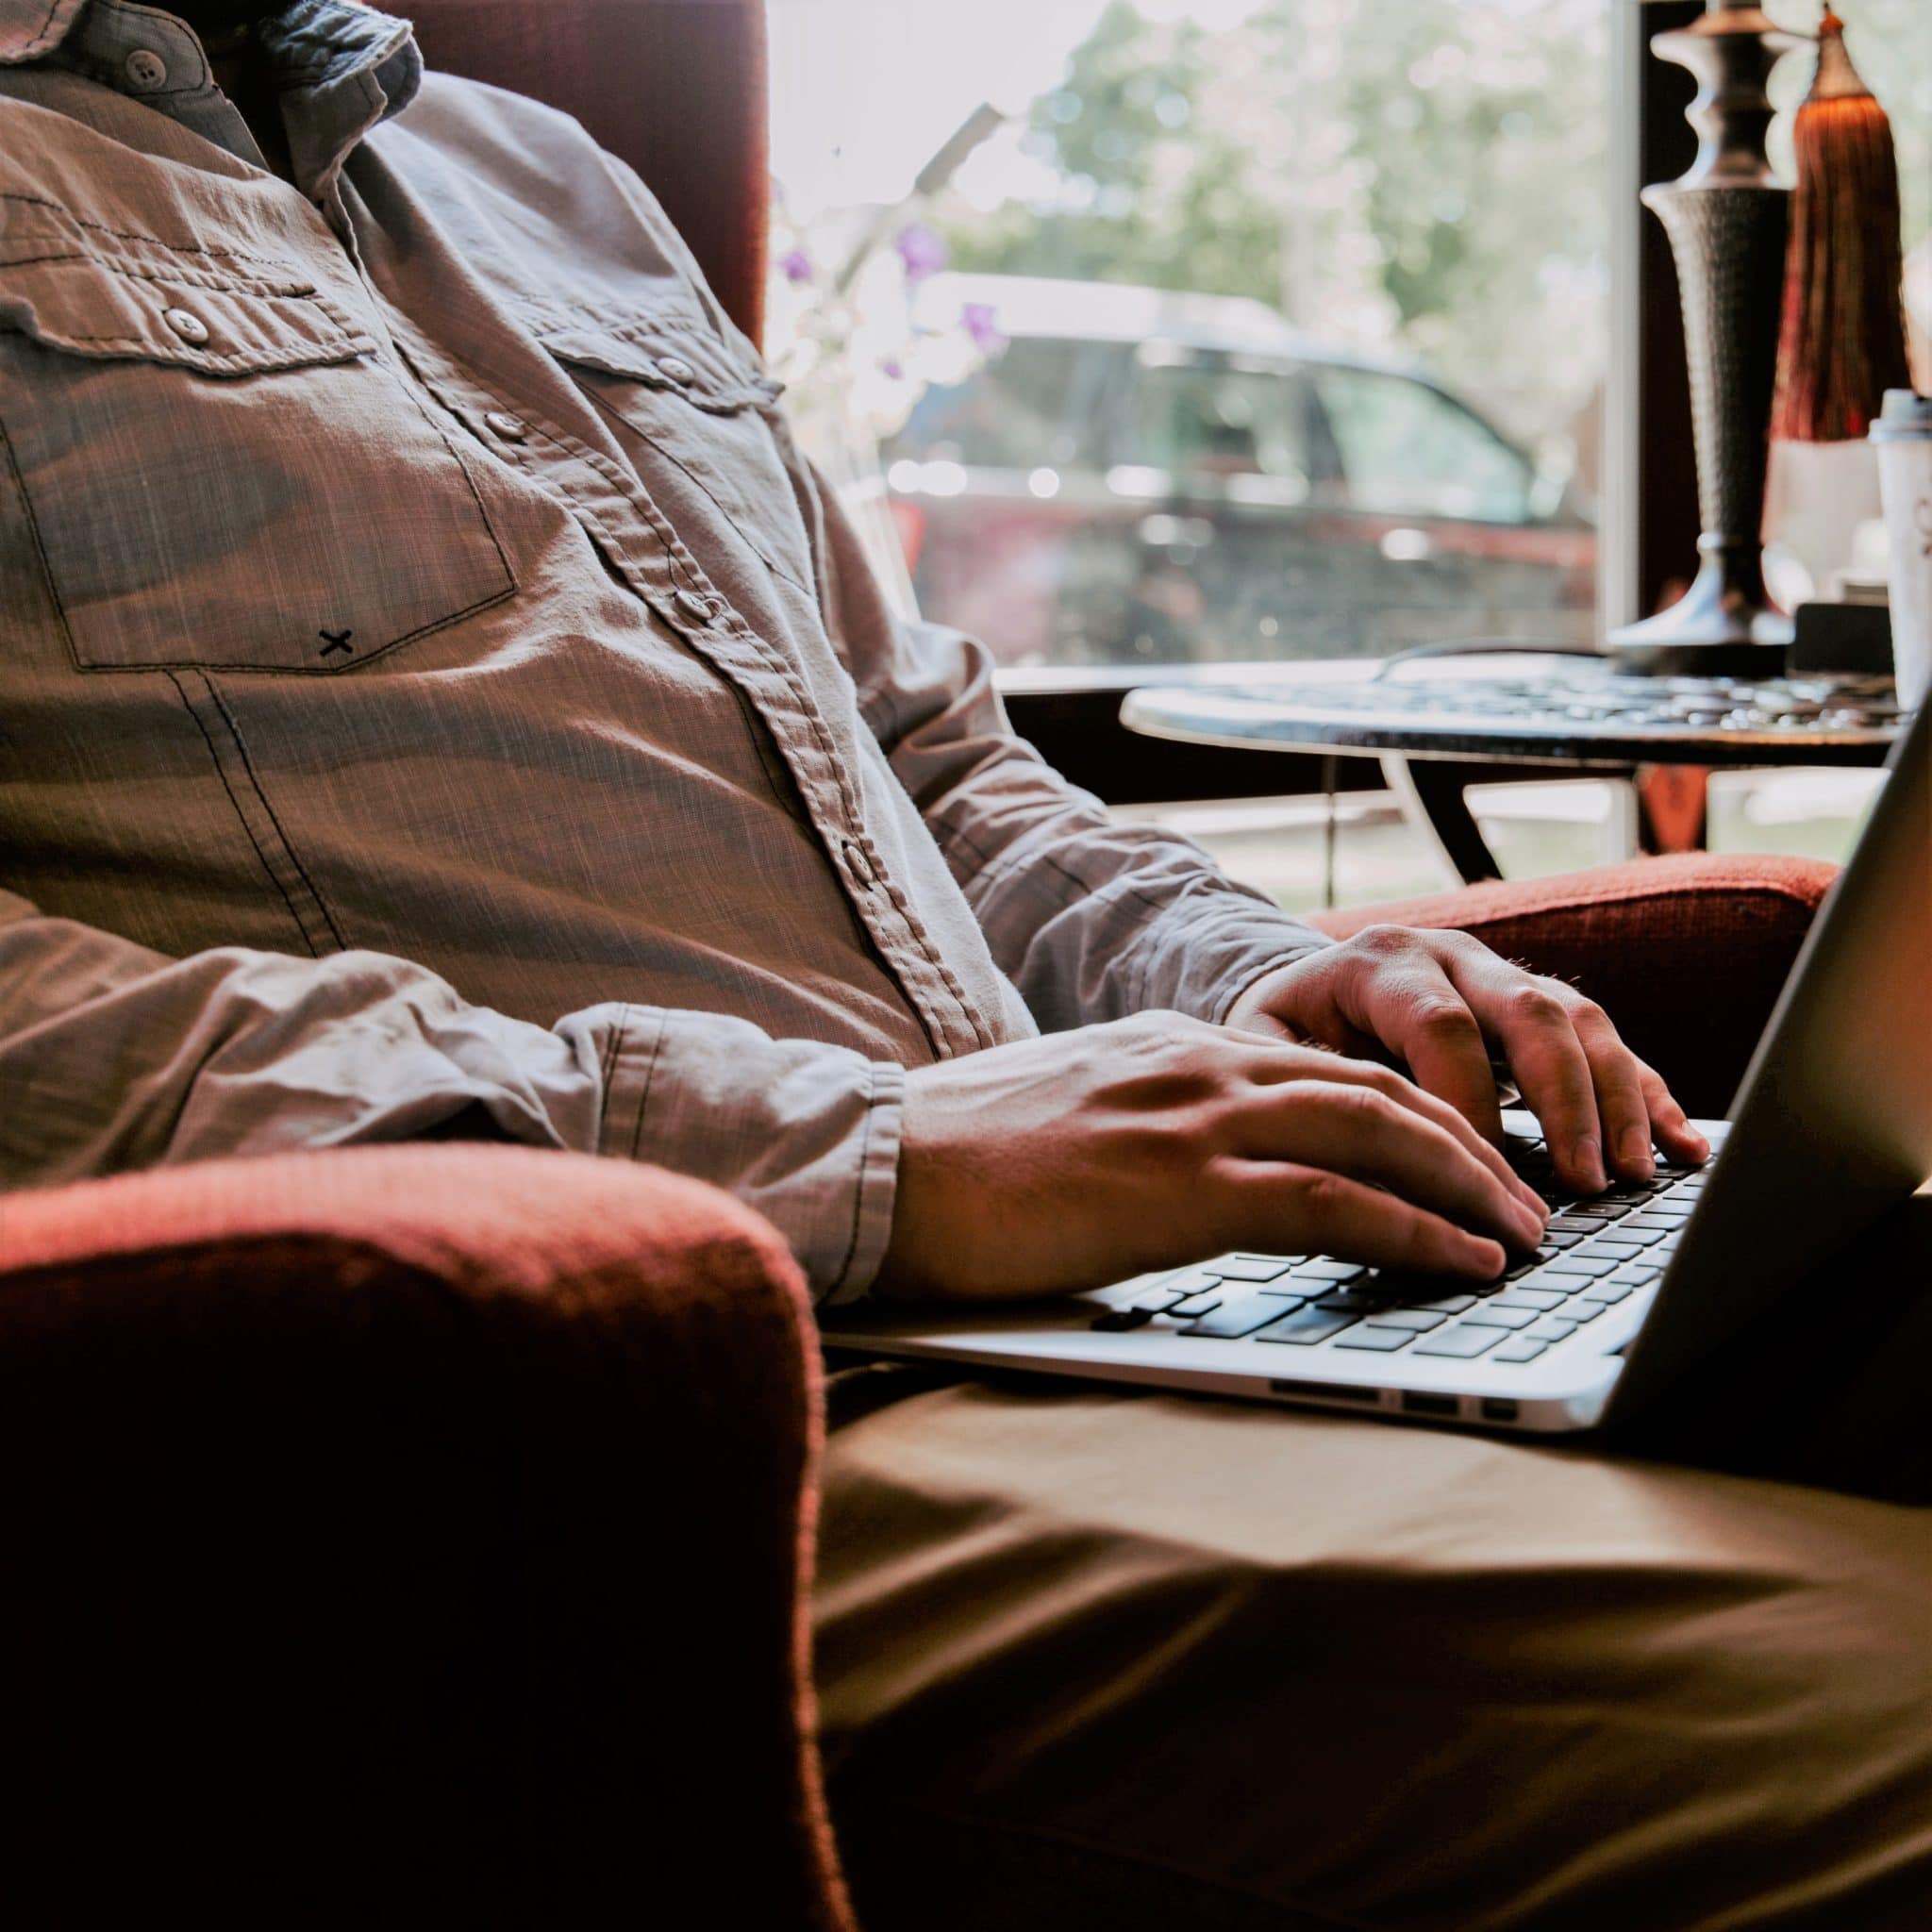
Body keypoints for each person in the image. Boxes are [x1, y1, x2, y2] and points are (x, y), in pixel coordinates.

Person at [0, 6, 1925, 1925]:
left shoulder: (540, 178)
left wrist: (1253, 972)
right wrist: (886, 1165)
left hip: (1168, 1293)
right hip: (709, 1427)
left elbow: (931, 761)